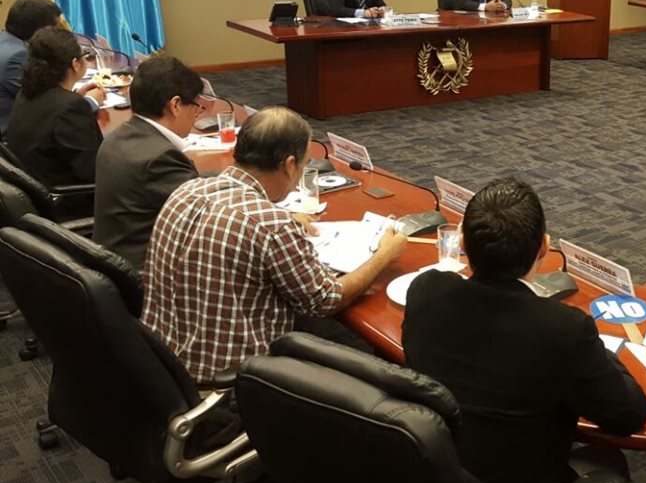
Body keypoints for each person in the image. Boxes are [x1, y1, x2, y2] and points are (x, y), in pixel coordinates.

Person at [403, 177, 646, 483]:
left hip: (433, 479)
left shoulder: (425, 290)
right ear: (545, 249)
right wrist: (600, 352)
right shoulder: (563, 329)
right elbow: (630, 414)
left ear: (462, 243)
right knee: (608, 460)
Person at [141, 107, 407, 385]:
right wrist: (384, 255)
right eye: (303, 165)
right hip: (227, 380)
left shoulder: (188, 191)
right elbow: (326, 300)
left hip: (163, 362)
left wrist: (286, 219)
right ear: (289, 164)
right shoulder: (271, 225)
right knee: (366, 355)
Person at [93, 56, 205, 269]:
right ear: (176, 105)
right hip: (146, 274)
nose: (197, 115)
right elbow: (207, 221)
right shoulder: (160, 159)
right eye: (196, 106)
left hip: (115, 259)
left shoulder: (118, 136)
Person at [5, 26, 105, 187]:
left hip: (37, 189)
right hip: (68, 200)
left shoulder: (25, 93)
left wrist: (75, 96)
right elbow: (92, 171)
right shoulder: (71, 107)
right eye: (84, 56)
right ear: (75, 64)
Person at [0, 0, 62, 136]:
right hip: (12, 138)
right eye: (55, 29)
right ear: (39, 31)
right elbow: (44, 105)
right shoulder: (17, 56)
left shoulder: (5, 39)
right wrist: (90, 101)